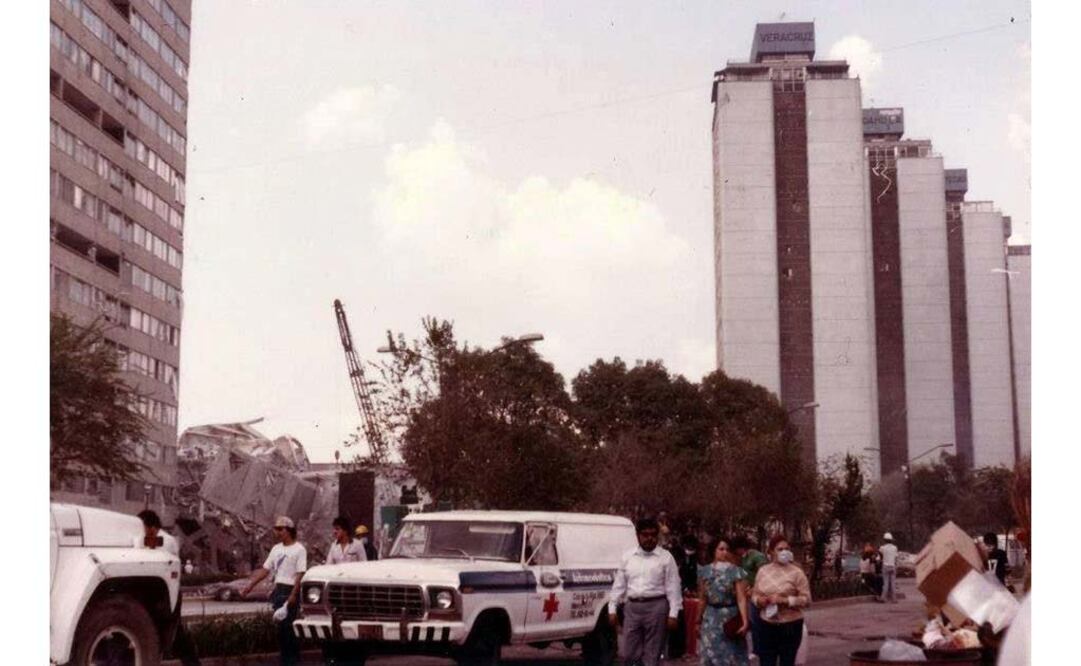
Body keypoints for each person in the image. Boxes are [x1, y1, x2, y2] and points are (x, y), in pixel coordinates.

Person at [608, 517, 682, 666]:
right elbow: (619, 585)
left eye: (653, 535)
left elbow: (673, 587)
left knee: (652, 654)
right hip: (632, 608)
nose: (650, 538)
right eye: (645, 535)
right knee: (629, 653)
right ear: (637, 535)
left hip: (657, 607)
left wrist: (673, 614)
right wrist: (612, 608)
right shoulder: (628, 557)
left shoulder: (666, 558)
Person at [136, 511, 200, 666]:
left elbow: (141, 543)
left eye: (140, 526)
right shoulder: (157, 539)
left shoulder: (166, 540)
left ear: (151, 527)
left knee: (174, 633)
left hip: (167, 595)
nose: (139, 530)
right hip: (158, 594)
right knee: (170, 633)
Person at [242, 516, 307, 666]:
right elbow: (266, 570)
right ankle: (287, 659)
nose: (277, 532)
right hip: (279, 590)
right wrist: (250, 586)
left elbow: (300, 574)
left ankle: (292, 660)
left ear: (289, 530)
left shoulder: (299, 549)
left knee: (288, 627)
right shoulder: (276, 549)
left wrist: (293, 595)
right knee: (281, 628)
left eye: (280, 529)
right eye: (276, 529)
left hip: (290, 590)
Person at [751, 535, 811, 666]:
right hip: (766, 625)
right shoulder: (763, 571)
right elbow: (754, 595)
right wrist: (760, 601)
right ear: (771, 551)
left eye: (787, 549)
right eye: (780, 549)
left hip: (790, 626)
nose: (784, 552)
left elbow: (806, 600)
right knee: (766, 661)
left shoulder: (797, 572)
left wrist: (784, 600)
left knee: (787, 662)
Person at [696, 537, 751, 666]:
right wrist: (698, 620)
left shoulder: (736, 571)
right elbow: (702, 598)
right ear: (714, 551)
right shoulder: (705, 571)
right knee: (711, 652)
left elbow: (741, 598)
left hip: (730, 617)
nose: (724, 552)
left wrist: (744, 621)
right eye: (721, 549)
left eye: (727, 549)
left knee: (731, 654)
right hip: (711, 617)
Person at [731, 535, 769, 653]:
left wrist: (754, 588)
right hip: (747, 594)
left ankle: (759, 648)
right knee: (752, 621)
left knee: (757, 621)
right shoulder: (742, 558)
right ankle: (756, 648)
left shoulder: (757, 557)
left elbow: (763, 573)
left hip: (758, 593)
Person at [878, 532, 899, 603]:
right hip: (892, 566)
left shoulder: (882, 548)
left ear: (885, 540)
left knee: (886, 583)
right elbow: (896, 558)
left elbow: (880, 555)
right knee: (893, 583)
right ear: (891, 540)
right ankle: (894, 599)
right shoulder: (895, 548)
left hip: (885, 566)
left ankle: (883, 598)